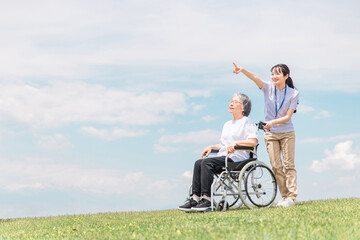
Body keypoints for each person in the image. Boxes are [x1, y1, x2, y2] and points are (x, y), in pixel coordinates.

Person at [233, 63, 299, 207]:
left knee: (289, 165)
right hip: (270, 134)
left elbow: (288, 117)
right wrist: (243, 70)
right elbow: (255, 78)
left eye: (277, 74)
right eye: (272, 74)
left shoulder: (293, 93)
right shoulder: (268, 87)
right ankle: (285, 196)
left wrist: (272, 122)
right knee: (276, 166)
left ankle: (292, 197)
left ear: (286, 76)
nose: (274, 77)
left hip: (287, 132)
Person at [178, 93, 258, 212]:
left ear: (243, 108)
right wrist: (212, 147)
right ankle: (195, 198)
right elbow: (224, 145)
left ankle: (207, 199)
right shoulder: (227, 124)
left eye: (236, 102)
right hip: (224, 156)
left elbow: (253, 141)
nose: (231, 103)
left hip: (237, 158)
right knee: (198, 163)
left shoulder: (247, 122)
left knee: (206, 163)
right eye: (231, 101)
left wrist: (236, 145)